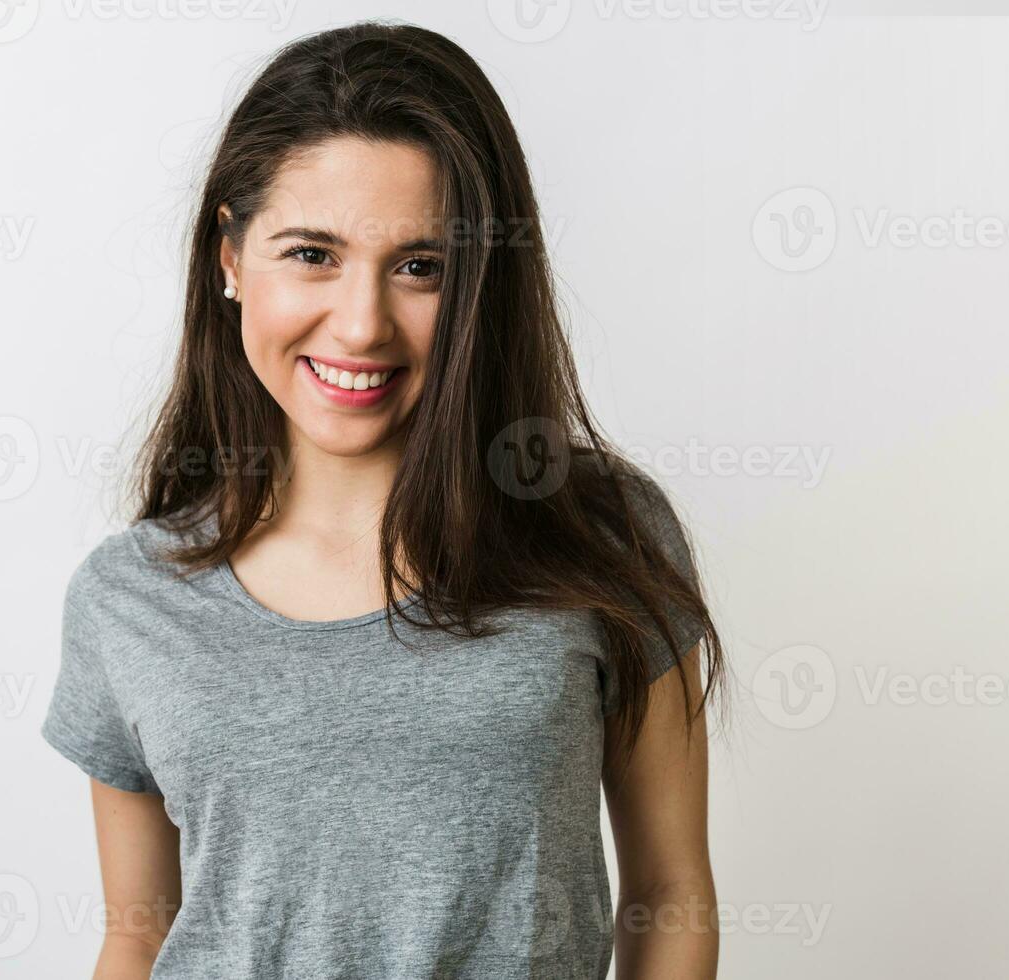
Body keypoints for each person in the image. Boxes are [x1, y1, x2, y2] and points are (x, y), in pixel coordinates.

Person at [43, 19, 726, 980]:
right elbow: (140, 932)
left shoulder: (600, 535)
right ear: (230, 259)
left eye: (420, 267)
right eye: (311, 253)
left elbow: (670, 898)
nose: (361, 324)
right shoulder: (129, 596)